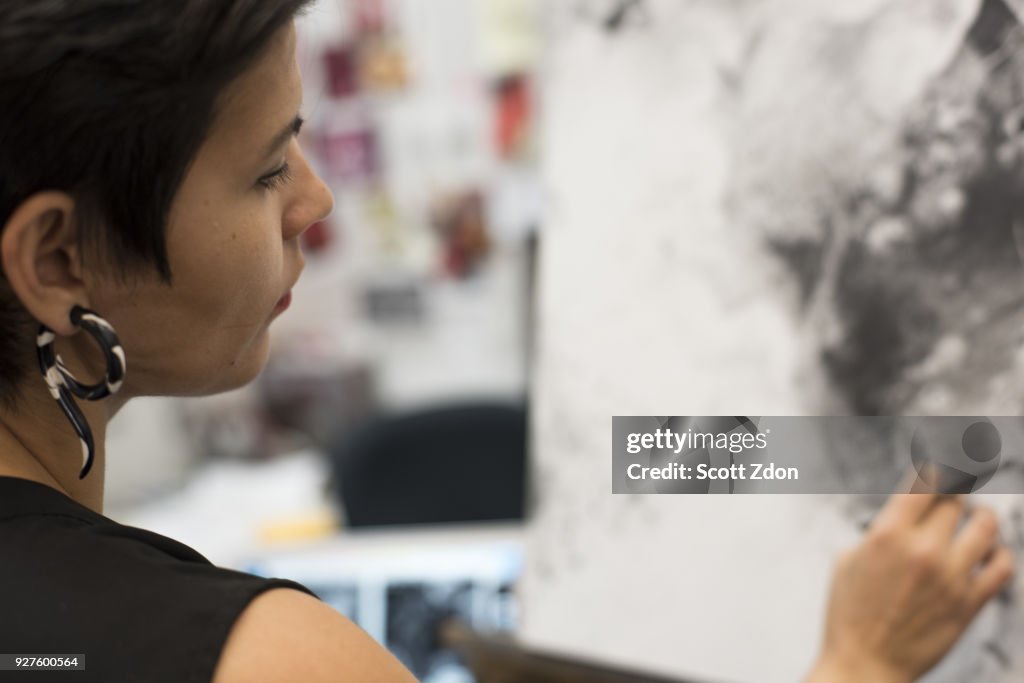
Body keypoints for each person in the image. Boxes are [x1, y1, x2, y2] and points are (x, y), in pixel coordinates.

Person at [0, 2, 1013, 682]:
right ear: (56, 259)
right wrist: (859, 661)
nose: (314, 197)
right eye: (267, 170)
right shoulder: (270, 658)